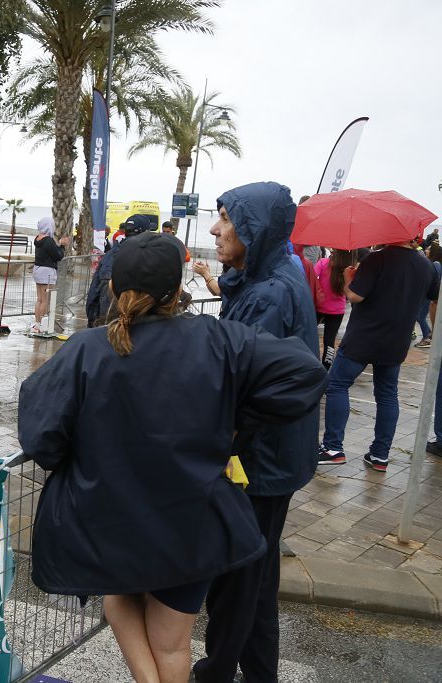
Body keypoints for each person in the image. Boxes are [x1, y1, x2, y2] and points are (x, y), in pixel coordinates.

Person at [19, 232, 326, 683]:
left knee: (119, 599)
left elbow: (42, 434)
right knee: (171, 643)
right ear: (177, 291)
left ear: (111, 288)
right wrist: (237, 423)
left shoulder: (86, 349)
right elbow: (304, 371)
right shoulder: (218, 340)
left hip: (111, 518)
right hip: (190, 521)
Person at [192, 182, 321, 683]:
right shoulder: (276, 273)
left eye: (226, 218)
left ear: (255, 230)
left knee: (238, 575)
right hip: (277, 455)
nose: (214, 228)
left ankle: (217, 670)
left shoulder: (269, 294)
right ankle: (261, 672)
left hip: (259, 460)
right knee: (259, 575)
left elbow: (240, 385)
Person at [319, 235, 439, 472]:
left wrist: (347, 279)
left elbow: (355, 296)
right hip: (397, 341)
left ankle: (333, 448)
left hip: (363, 338)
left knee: (337, 385)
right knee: (387, 395)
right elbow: (433, 296)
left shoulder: (377, 259)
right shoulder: (426, 265)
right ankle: (380, 455)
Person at [85, 214, 152, 327]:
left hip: (105, 326)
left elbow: (93, 295)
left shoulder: (109, 256)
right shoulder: (148, 257)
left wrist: (92, 326)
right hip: (132, 328)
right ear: (145, 232)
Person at [314, 249, 352, 368]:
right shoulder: (349, 270)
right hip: (337, 310)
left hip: (319, 307)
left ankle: (308, 364)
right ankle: (325, 370)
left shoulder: (323, 263)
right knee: (329, 342)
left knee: (309, 336)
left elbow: (312, 278)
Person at [31, 216, 69, 333]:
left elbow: (50, 251)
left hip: (38, 270)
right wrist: (62, 245)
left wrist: (58, 246)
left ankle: (37, 323)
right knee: (45, 300)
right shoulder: (48, 240)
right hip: (46, 272)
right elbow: (57, 256)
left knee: (39, 299)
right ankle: (41, 325)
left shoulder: (38, 238)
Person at [414, 244, 442, 348]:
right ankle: (428, 334)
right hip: (426, 293)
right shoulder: (431, 263)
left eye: (429, 249)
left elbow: (434, 280)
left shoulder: (436, 264)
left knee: (420, 316)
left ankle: (427, 338)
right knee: (419, 316)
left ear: (434, 252)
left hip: (428, 294)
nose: (426, 250)